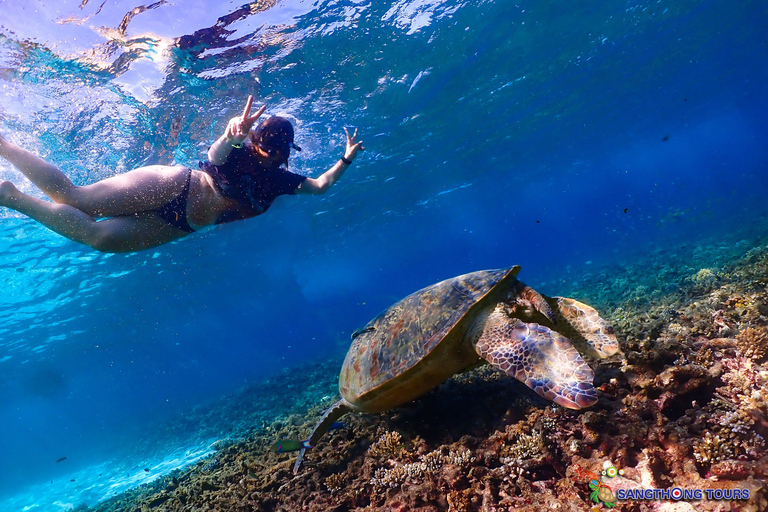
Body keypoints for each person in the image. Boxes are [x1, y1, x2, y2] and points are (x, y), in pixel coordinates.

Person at [0, 95, 364, 252]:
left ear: (284, 154)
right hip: (177, 185)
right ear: (255, 139)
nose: (263, 154)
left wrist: (345, 160)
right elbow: (215, 153)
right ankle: (4, 145)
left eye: (272, 151)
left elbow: (319, 187)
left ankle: (12, 198)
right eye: (260, 144)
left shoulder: (283, 181)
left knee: (102, 240)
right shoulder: (239, 149)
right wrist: (230, 134)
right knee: (79, 200)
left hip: (183, 224)